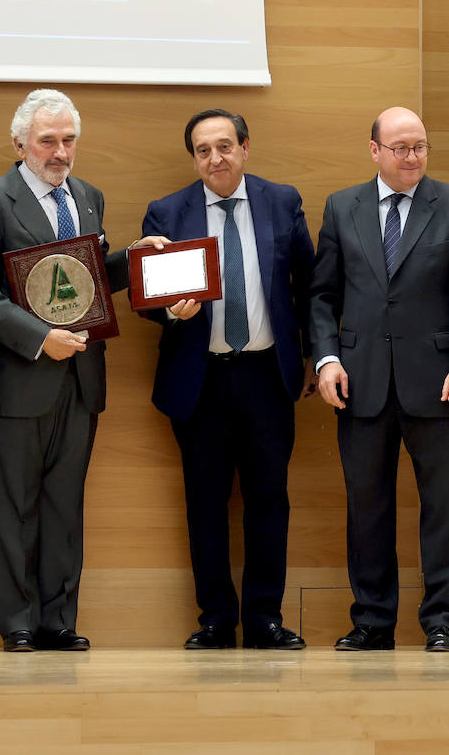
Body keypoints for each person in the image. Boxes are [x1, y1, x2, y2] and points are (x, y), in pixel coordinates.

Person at [310, 106, 449, 653]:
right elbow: (322, 296)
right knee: (367, 509)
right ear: (374, 151)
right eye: (400, 148)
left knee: (444, 509)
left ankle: (444, 621)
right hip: (360, 383)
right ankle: (372, 621)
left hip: (439, 382)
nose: (412, 157)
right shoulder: (343, 207)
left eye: (419, 147)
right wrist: (325, 359)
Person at [0, 88, 137, 652]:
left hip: (81, 380)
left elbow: (79, 284)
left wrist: (136, 262)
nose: (60, 152)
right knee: (14, 507)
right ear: (19, 144)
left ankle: (57, 619)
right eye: (47, 141)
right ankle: (17, 623)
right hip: (17, 378)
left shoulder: (89, 196)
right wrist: (41, 339)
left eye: (68, 140)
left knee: (65, 503)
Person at [141, 109, 315, 650]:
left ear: (244, 148)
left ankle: (265, 618)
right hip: (201, 383)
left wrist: (314, 357)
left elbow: (309, 286)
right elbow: (148, 299)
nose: (214, 158)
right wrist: (173, 312)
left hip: (267, 376)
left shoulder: (281, 201)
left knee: (269, 500)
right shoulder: (167, 212)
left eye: (223, 146)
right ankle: (215, 619)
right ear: (194, 158)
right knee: (205, 504)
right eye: (202, 150)